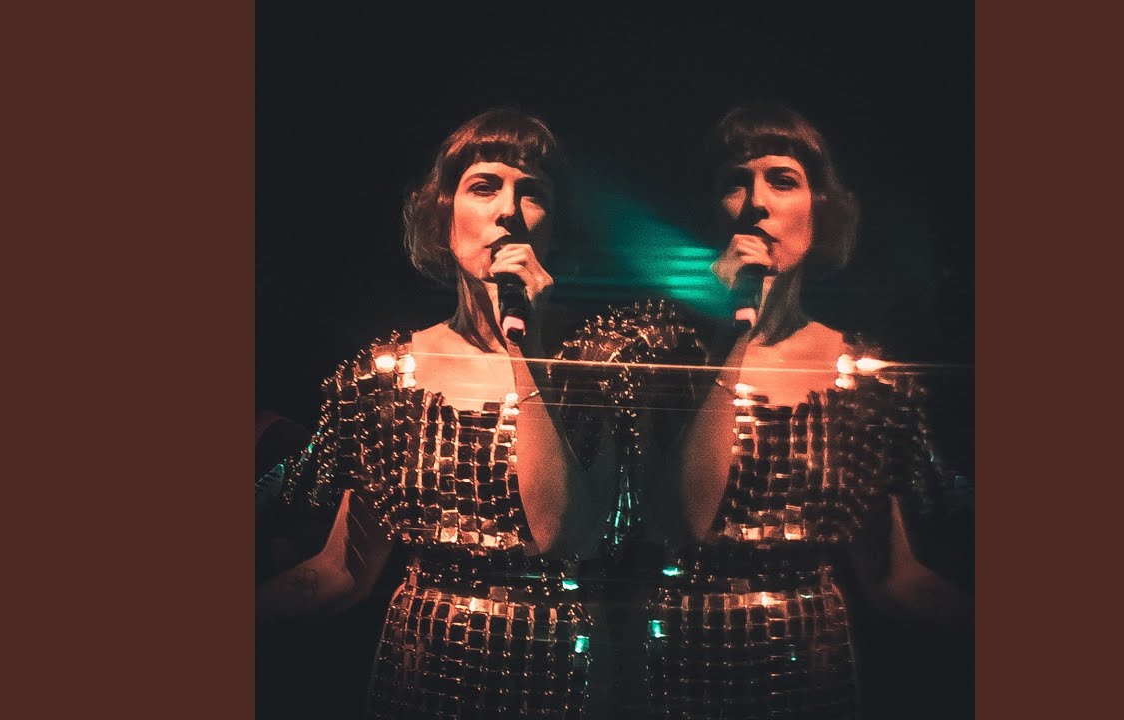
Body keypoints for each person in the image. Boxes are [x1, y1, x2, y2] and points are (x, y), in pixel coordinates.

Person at [257, 108, 612, 719]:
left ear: (555, 227)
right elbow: (344, 571)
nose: (508, 211)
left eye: (533, 193)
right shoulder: (389, 376)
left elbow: (564, 534)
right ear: (444, 214)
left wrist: (525, 347)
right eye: (485, 186)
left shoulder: (595, 366)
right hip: (424, 680)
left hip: (553, 679)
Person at [650, 104, 971, 719]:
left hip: (812, 679)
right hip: (679, 669)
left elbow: (893, 577)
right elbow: (683, 520)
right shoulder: (662, 352)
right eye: (735, 183)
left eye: (782, 180)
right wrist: (732, 330)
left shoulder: (862, 377)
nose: (756, 203)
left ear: (820, 208)